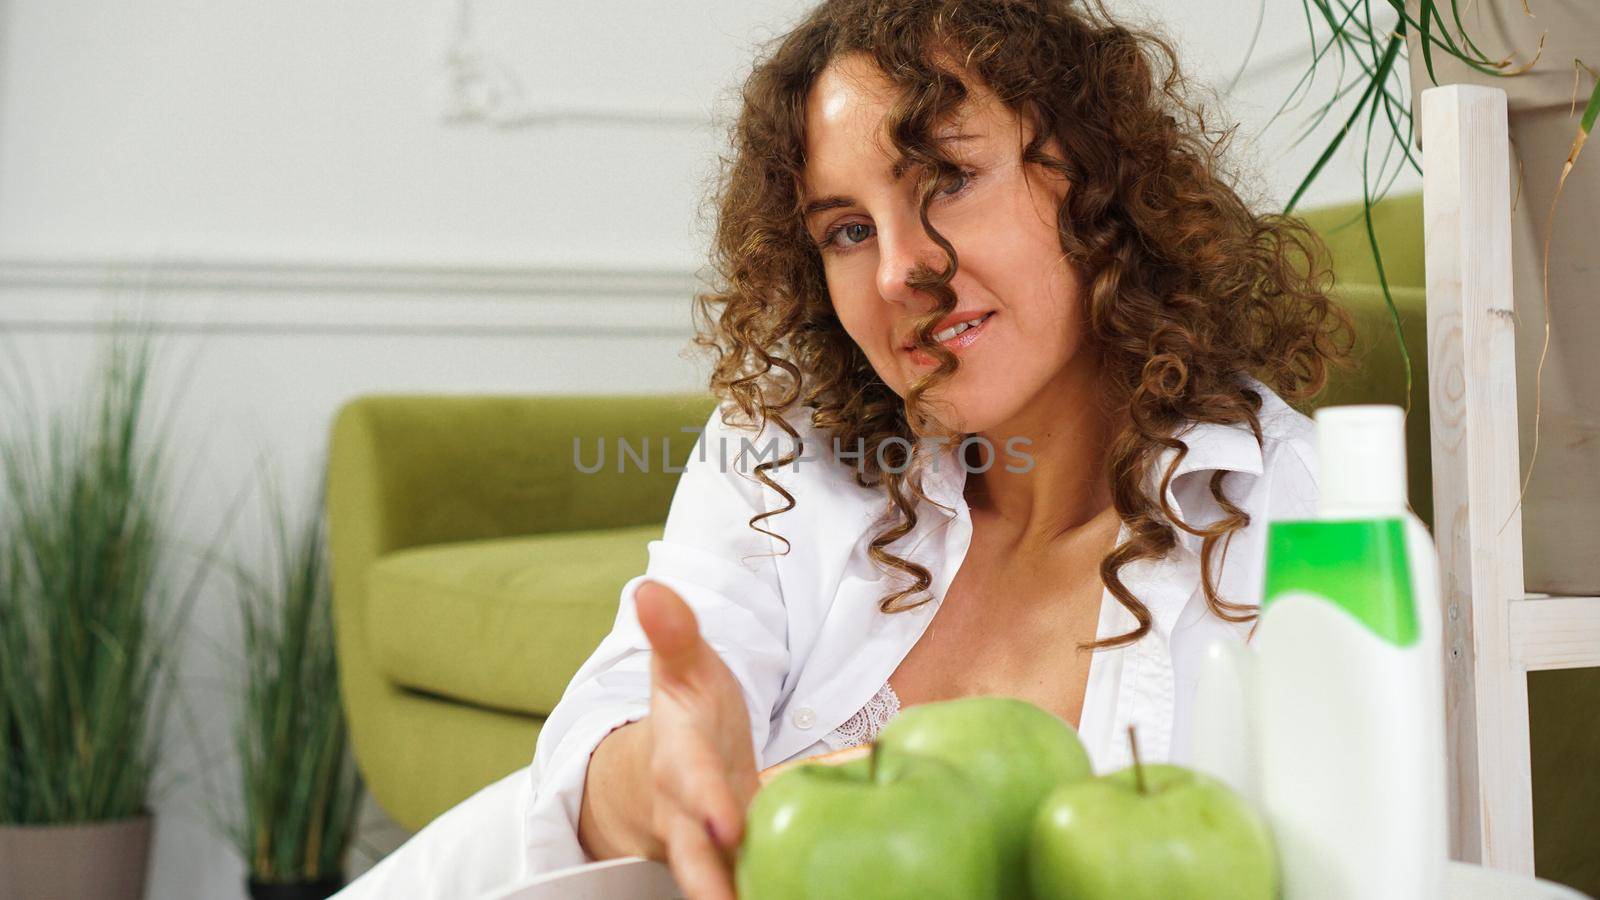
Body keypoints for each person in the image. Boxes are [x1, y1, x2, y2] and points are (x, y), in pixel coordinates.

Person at [334, 1, 1352, 898]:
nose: (903, 269)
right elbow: (601, 757)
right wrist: (672, 779)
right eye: (846, 231)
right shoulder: (783, 451)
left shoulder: (1283, 504)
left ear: (1094, 182)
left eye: (948, 178)